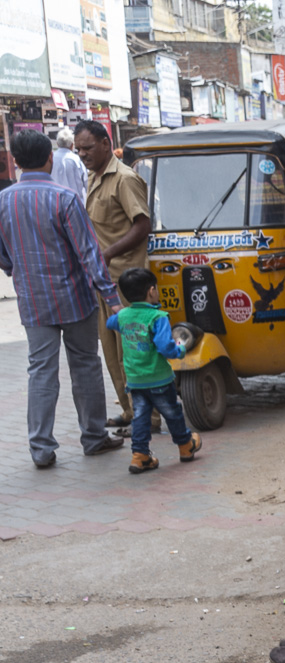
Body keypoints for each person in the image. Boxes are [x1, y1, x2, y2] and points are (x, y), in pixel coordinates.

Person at [0, 130, 124, 467]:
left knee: (40, 370)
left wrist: (15, 267)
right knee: (85, 364)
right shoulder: (65, 199)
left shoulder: (4, 201)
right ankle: (94, 437)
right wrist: (111, 297)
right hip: (75, 298)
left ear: (16, 162)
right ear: (50, 158)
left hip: (33, 300)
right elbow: (89, 256)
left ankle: (40, 449)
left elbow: (4, 255)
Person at [74, 119, 152, 431]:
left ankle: (149, 416)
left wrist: (107, 253)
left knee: (131, 353)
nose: (82, 154)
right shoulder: (94, 177)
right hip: (103, 281)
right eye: (78, 149)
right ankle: (131, 410)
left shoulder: (124, 179)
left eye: (88, 148)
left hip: (126, 282)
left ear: (106, 143)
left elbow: (142, 226)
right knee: (110, 352)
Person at [104, 268, 202, 474]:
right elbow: (165, 347)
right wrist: (181, 350)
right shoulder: (158, 317)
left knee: (140, 417)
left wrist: (127, 320)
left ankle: (140, 456)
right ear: (151, 292)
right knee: (172, 413)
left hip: (136, 380)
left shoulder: (123, 316)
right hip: (159, 379)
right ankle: (185, 446)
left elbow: (110, 322)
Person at [51, 128, 87, 204]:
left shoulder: (50, 159)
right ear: (72, 145)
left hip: (55, 204)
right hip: (76, 205)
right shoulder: (77, 160)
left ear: (57, 144)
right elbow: (87, 182)